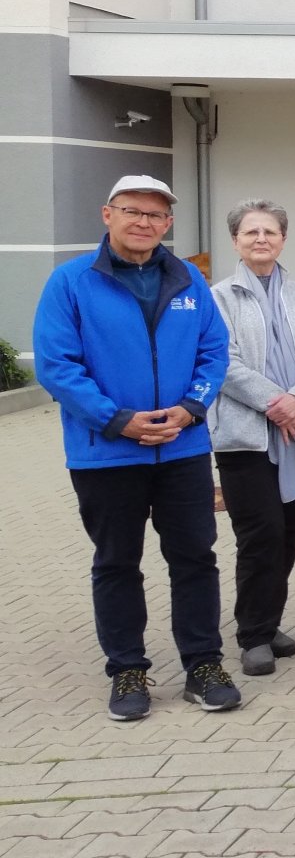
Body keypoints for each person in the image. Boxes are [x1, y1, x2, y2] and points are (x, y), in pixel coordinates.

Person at [33, 174, 240, 719]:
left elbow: (214, 353)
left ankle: (203, 665)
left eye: (155, 215)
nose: (143, 222)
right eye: (132, 211)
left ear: (167, 223)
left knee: (195, 558)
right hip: (106, 453)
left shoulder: (189, 279)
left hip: (182, 448)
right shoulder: (71, 282)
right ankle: (127, 670)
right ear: (108, 214)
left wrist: (191, 407)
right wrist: (117, 420)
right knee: (117, 562)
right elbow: (56, 365)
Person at [206, 199, 295, 677]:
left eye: (269, 232)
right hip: (245, 436)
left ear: (283, 239)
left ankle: (268, 618)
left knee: (288, 529)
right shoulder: (217, 299)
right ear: (235, 241)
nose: (261, 239)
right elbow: (222, 362)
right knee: (259, 533)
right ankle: (253, 635)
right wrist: (274, 403)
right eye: (250, 232)